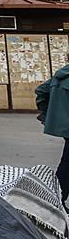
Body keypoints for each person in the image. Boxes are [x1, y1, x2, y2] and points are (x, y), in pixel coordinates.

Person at [34, 61, 69, 203]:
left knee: (66, 162)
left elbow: (41, 91)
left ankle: (56, 198)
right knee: (66, 164)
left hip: (66, 127)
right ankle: (56, 200)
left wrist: (51, 113)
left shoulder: (60, 75)